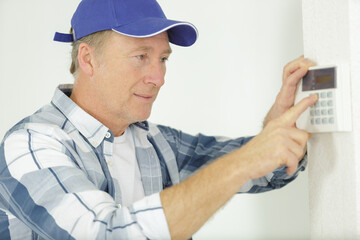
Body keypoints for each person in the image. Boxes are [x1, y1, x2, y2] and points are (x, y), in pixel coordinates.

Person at [0, 0, 317, 239]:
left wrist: (284, 128)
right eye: (141, 57)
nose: (158, 77)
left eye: (162, 59)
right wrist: (245, 160)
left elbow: (266, 170)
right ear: (88, 58)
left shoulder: (157, 143)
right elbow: (107, 234)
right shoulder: (29, 147)